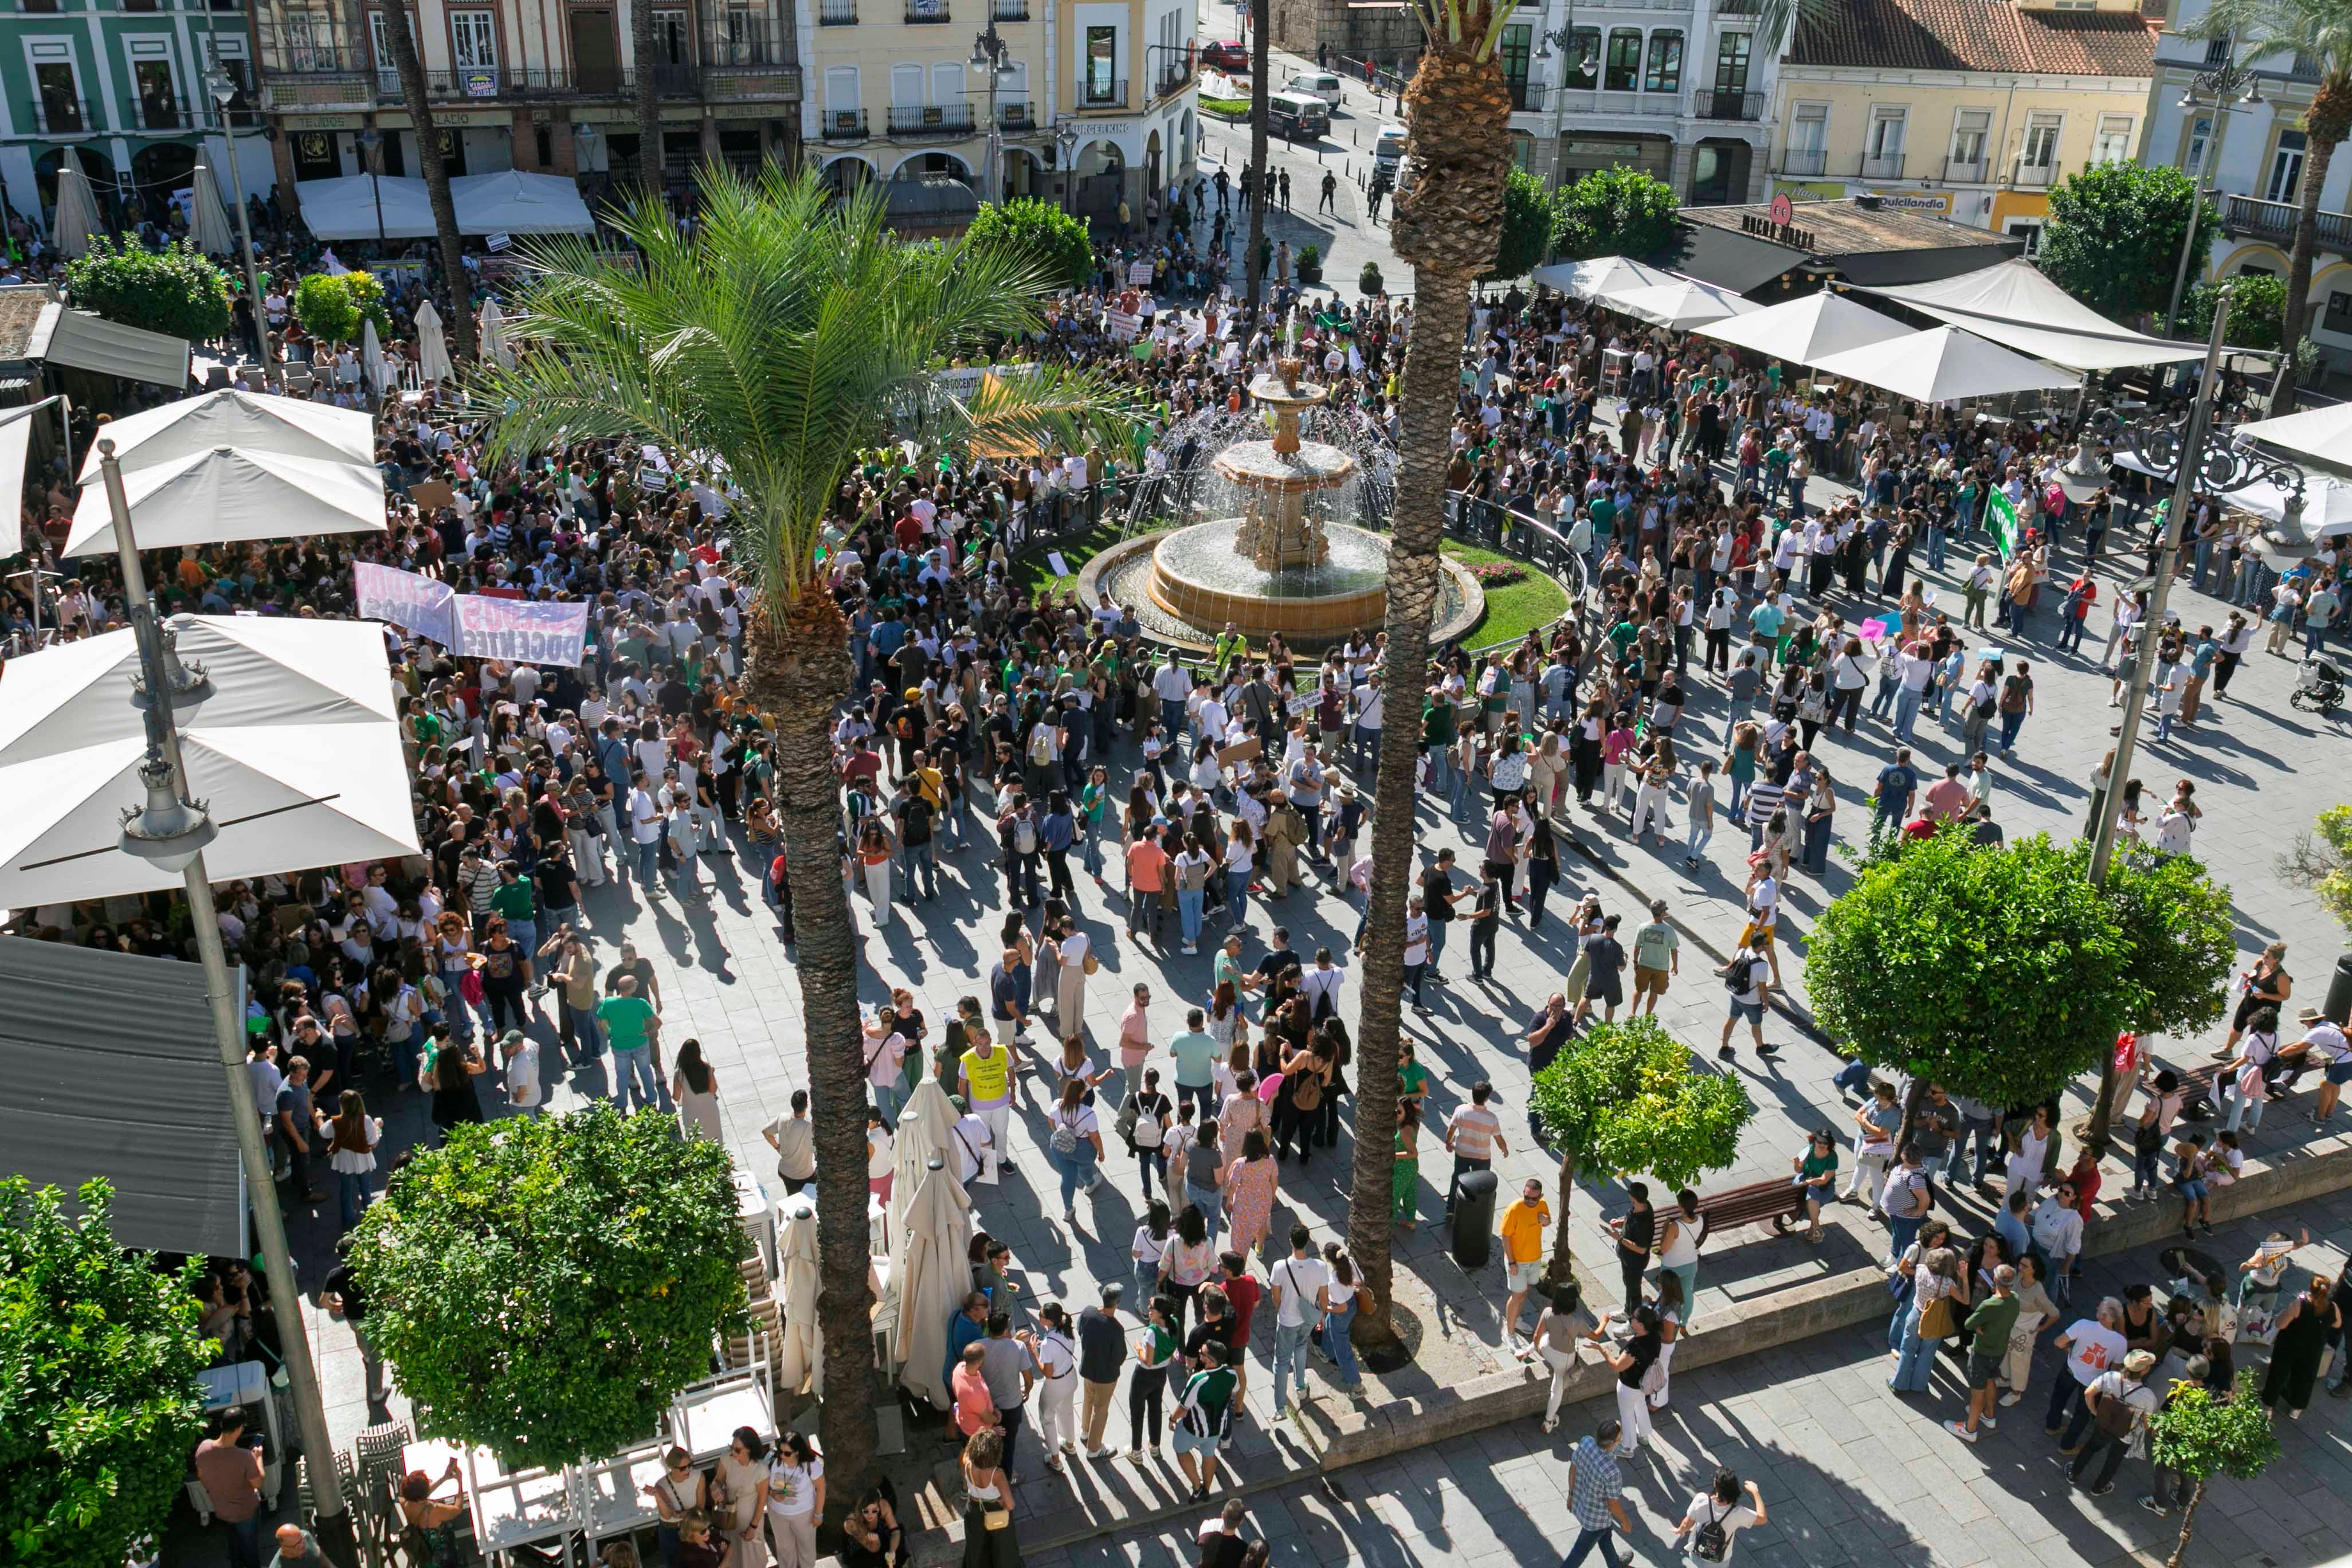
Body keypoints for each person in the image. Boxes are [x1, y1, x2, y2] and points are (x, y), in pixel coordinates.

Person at [2069, 1349, 2159, 1496]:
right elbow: (2148, 1423)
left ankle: (2074, 1473)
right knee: (2113, 1461)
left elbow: (2088, 1393)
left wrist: (2095, 1412)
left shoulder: (2110, 1377)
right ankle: (2098, 1488)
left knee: (2091, 1447)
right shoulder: (2148, 1396)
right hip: (2125, 1434)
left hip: (2104, 1423)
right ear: (2144, 1371)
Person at [1945, 1264, 2018, 1444]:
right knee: (1990, 1380)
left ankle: (1970, 1429)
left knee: (1977, 1394)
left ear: (1995, 1280)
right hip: (1999, 1350)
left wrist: (1978, 1326)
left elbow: (1968, 1324)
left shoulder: (1989, 1304)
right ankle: (1989, 1416)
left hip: (1982, 1352)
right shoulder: (2015, 1299)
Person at [1268, 1223, 1329, 1420]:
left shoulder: (1279, 1267)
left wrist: (1280, 1310)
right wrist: (1321, 1316)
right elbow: (1324, 1300)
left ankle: (1280, 1408)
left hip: (1288, 1320)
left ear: (1290, 1241)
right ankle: (1301, 1386)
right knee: (1301, 1346)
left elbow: (1276, 1297)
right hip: (1308, 1318)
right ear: (1308, 1242)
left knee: (1281, 1362)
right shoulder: (1320, 1267)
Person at [195, 1412, 267, 1568]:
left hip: (222, 1510)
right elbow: (258, 1483)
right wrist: (258, 1458)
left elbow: (201, 1476)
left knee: (234, 1543)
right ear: (240, 1428)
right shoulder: (245, 1457)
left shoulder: (203, 1447)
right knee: (250, 1549)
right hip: (245, 1512)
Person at [1560, 1418, 1635, 1568]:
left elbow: (1573, 1469)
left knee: (1606, 1536)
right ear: (1613, 1443)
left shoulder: (1586, 1442)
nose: (1621, 1442)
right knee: (1580, 1551)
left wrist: (1571, 1495)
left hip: (1582, 1504)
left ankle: (1615, 1564)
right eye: (1620, 1440)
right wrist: (1624, 1520)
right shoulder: (1611, 1471)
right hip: (1595, 1519)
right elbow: (1612, 1503)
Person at [1672, 1469, 1766, 1563]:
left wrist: (1680, 1530)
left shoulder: (1701, 1500)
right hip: (1719, 1559)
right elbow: (1762, 1518)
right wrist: (1755, 1492)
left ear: (1716, 1485)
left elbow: (1687, 1523)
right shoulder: (1738, 1513)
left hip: (1697, 1551)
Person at [1500, 1177, 1551, 1344]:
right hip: (1518, 1262)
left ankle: (1516, 1319)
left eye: (1534, 1198)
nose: (1530, 1201)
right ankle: (1509, 1332)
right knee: (1517, 1296)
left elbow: (1547, 1221)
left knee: (1524, 1293)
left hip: (1534, 1258)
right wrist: (1512, 1262)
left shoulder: (1542, 1205)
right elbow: (1505, 1237)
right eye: (1527, 1197)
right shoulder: (1514, 1209)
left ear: (1540, 1196)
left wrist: (1547, 1221)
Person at [1077, 1284, 1126, 1460]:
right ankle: (1094, 1448)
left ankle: (1085, 1431)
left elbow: (1080, 1330)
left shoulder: (1088, 1312)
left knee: (1088, 1400)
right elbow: (1120, 1357)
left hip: (1088, 1369)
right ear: (1118, 1303)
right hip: (1106, 1377)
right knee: (1101, 1409)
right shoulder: (1116, 1329)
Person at [959, 1427, 1019, 1568]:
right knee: (1002, 1549)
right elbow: (1010, 1505)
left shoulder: (967, 1462)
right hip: (996, 1510)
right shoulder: (997, 1474)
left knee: (976, 1547)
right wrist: (1002, 1502)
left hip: (974, 1509)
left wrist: (983, 1434)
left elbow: (968, 1450)